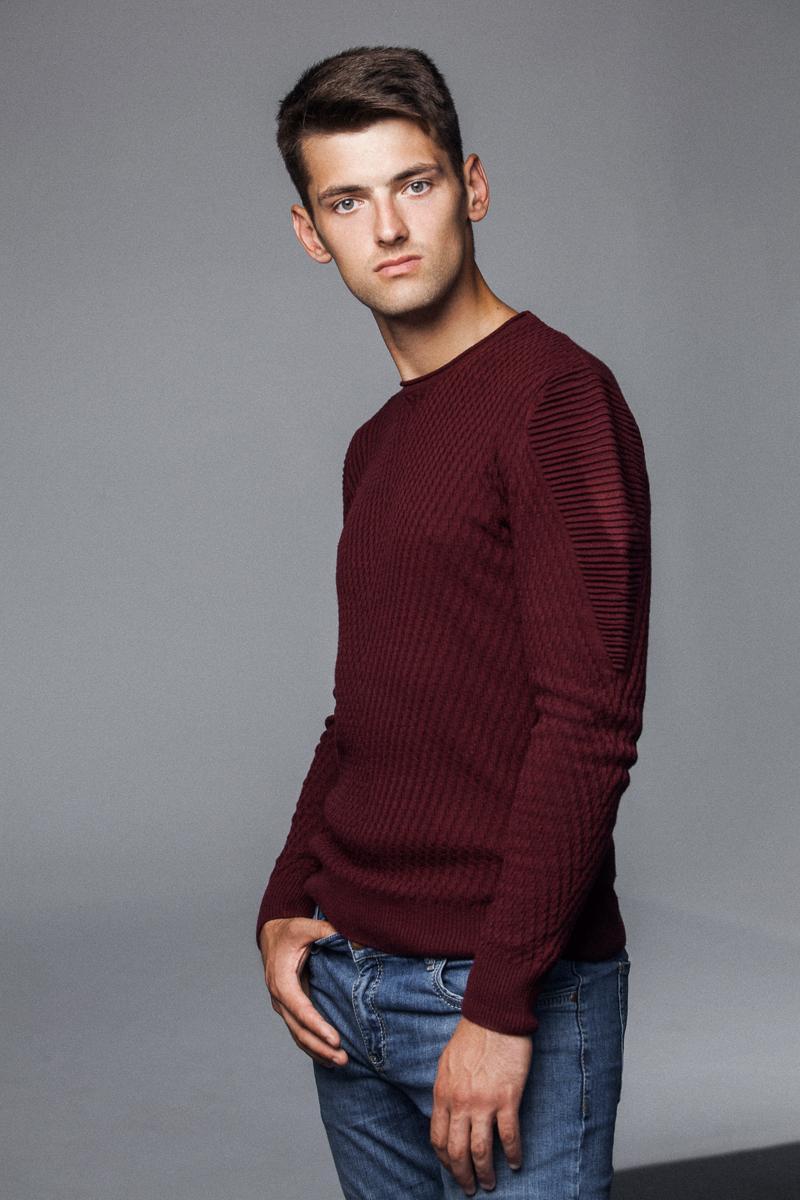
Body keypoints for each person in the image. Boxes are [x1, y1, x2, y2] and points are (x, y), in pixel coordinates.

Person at [255, 44, 651, 1200]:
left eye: (413, 184)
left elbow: (588, 727)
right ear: (310, 232)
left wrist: (498, 1006)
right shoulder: (375, 445)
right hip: (348, 981)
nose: (386, 227)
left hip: (494, 992)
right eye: (347, 201)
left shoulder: (556, 400)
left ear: (469, 186)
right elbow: (362, 713)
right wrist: (284, 899)